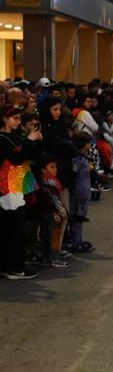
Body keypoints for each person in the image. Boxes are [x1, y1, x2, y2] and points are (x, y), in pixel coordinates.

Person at [0, 106, 41, 279]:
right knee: (14, 229)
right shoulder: (2, 139)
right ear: (4, 119)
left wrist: (33, 140)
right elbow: (17, 157)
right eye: (14, 118)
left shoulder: (13, 137)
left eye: (19, 118)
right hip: (7, 188)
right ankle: (14, 268)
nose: (18, 122)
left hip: (17, 185)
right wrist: (30, 139)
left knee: (14, 228)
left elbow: (26, 155)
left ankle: (11, 266)